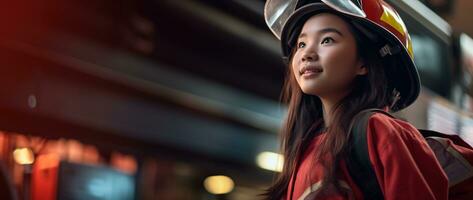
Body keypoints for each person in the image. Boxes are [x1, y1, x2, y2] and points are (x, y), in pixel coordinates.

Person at [262, 0, 448, 199]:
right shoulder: (305, 147)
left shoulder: (378, 130)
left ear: (364, 62)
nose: (306, 54)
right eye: (301, 44)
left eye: (327, 40)